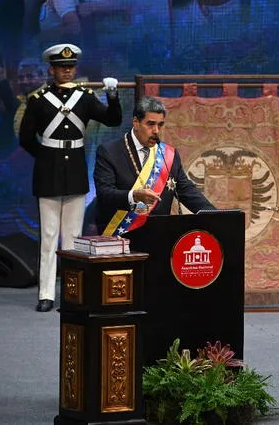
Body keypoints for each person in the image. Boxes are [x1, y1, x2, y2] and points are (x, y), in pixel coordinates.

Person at [19, 43, 122, 312]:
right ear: (51, 69)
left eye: (71, 66)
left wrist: (112, 95)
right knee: (49, 236)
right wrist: (44, 159)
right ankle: (46, 294)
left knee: (74, 238)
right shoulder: (38, 100)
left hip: (75, 171)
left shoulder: (85, 98)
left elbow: (112, 120)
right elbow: (26, 138)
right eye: (61, 67)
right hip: (48, 174)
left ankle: (73, 293)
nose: (67, 71)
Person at [93, 96, 215, 236]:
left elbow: (187, 191)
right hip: (120, 236)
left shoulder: (168, 154)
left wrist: (215, 215)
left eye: (160, 125)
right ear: (136, 122)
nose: (156, 130)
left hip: (159, 235)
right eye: (150, 124)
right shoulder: (109, 151)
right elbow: (104, 194)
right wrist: (134, 195)